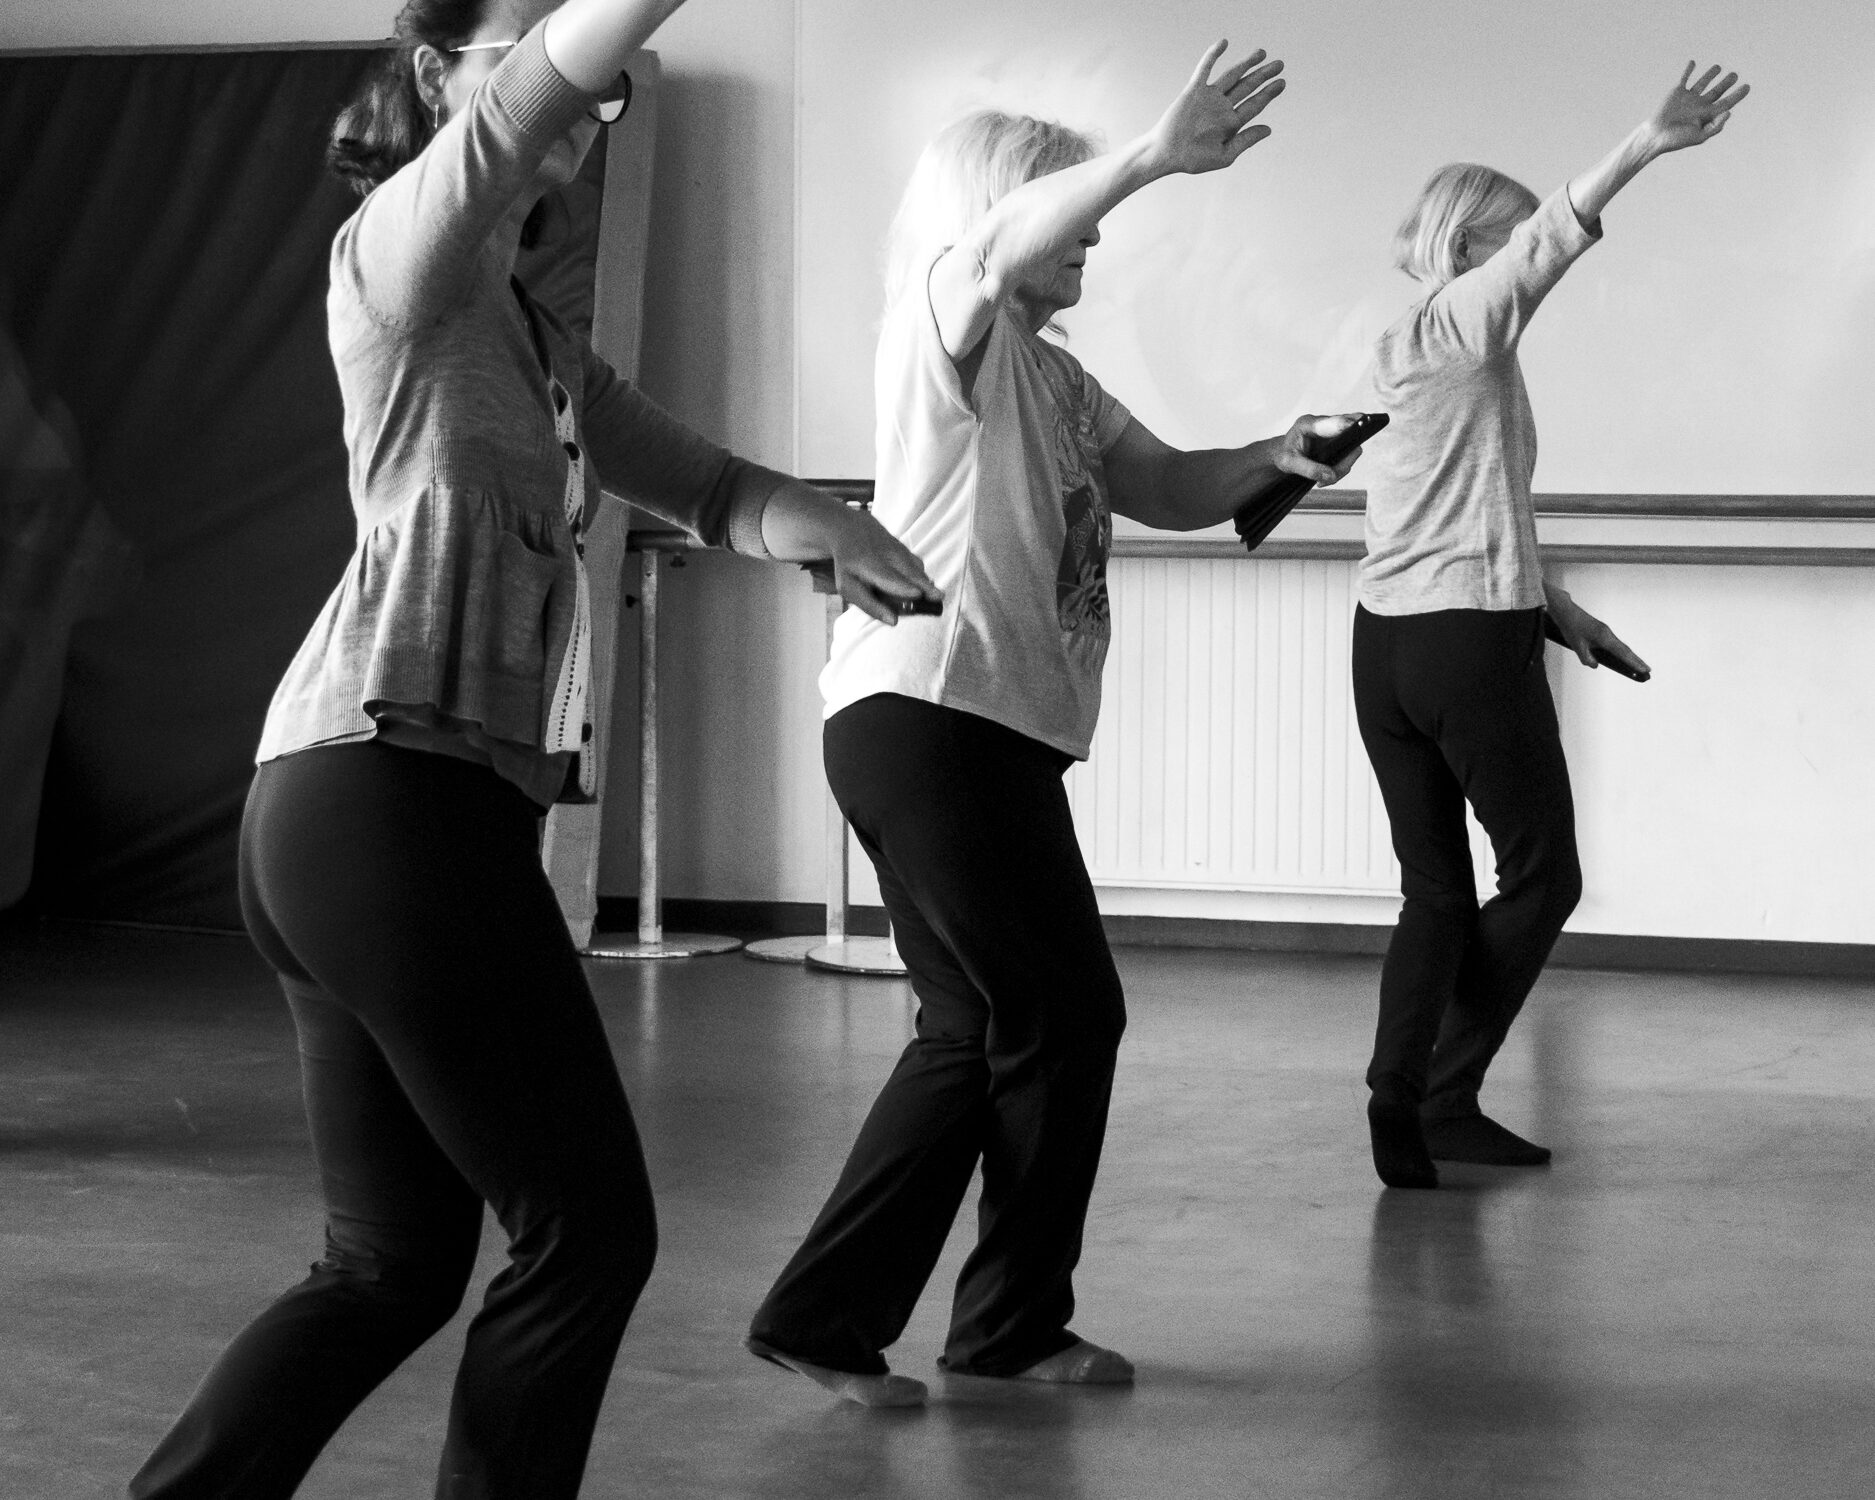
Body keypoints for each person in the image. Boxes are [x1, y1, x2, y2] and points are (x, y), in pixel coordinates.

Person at [127, 1, 934, 1495]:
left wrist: (827, 526)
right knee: (587, 1232)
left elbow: (709, 484)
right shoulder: (398, 260)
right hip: (385, 799)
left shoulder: (537, 344)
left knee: (388, 1265)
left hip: (369, 817)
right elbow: (515, 113)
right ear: (438, 73)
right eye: (548, 49)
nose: (588, 93)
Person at [746, 41, 1365, 1408]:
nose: (1089, 237)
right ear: (999, 217)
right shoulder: (943, 325)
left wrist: (1279, 455)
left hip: (969, 731)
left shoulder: (1060, 380)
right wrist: (1146, 157)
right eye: (1066, 211)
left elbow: (1173, 485)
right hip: (932, 714)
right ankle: (1005, 1328)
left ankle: (829, 1318)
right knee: (1063, 1014)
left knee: (975, 1027)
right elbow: (995, 248)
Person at [1352, 63, 1750, 1191]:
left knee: (1436, 890)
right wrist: (1646, 142)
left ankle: (1402, 1097)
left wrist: (1561, 615)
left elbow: (1454, 512)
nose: (1526, 264)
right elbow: (1549, 244)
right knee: (1543, 877)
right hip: (1466, 647)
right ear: (1469, 247)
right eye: (1510, 241)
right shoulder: (1466, 326)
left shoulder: (1402, 347)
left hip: (1386, 645)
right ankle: (1441, 1093)